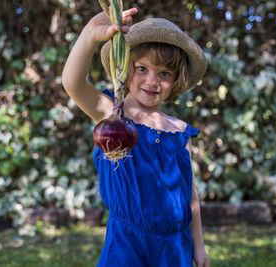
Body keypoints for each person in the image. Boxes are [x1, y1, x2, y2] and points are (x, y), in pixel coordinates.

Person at [62, 7, 210, 267]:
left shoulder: (179, 131)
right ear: (124, 67)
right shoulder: (112, 115)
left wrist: (198, 246)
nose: (152, 81)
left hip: (175, 247)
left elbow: (190, 194)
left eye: (164, 74)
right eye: (142, 68)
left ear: (176, 80)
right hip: (128, 245)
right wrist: (89, 35)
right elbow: (72, 83)